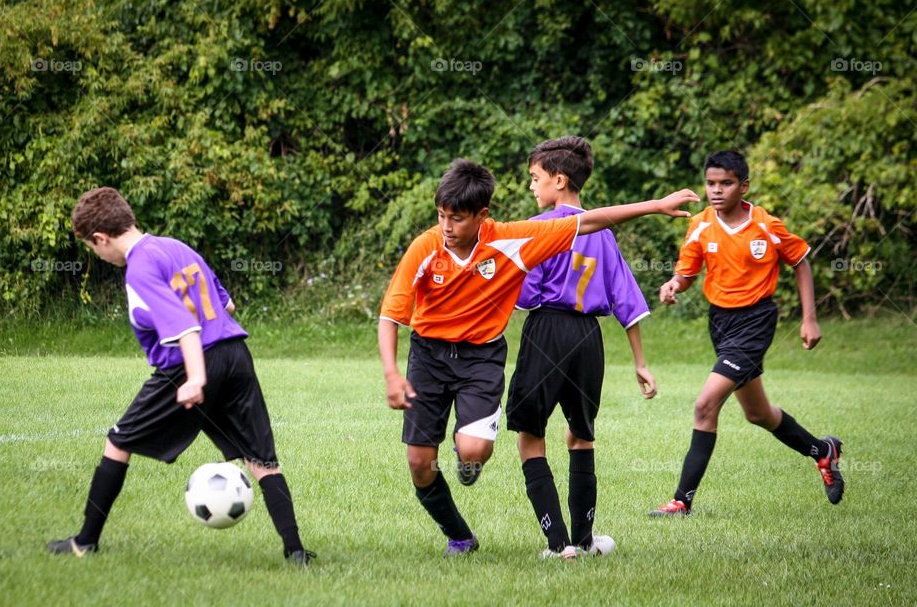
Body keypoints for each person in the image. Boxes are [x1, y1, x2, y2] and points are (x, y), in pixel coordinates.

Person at [378, 158, 697, 556]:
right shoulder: (426, 247)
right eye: (441, 216)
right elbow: (390, 315)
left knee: (475, 450)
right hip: (428, 356)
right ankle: (460, 535)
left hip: (481, 357)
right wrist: (392, 373)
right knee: (420, 465)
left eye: (456, 219)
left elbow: (588, 222)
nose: (446, 227)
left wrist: (653, 205)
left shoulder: (513, 239)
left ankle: (472, 460)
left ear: (482, 216)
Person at [48, 187, 315, 565]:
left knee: (118, 441)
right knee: (262, 461)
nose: (99, 256)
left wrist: (194, 378)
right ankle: (296, 551)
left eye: (94, 249)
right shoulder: (176, 246)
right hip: (235, 354)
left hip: (188, 364)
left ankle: (84, 541)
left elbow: (185, 328)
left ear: (100, 238)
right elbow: (227, 303)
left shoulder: (139, 268)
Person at [649, 150, 843, 517]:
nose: (716, 191)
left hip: (755, 322)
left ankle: (681, 501)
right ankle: (822, 452)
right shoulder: (701, 225)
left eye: (726, 183)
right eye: (710, 184)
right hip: (720, 322)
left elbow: (800, 260)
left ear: (744, 186)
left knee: (705, 405)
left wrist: (810, 318)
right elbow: (688, 272)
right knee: (758, 413)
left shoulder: (766, 225)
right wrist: (673, 284)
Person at [506, 137, 658, 560]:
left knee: (530, 437)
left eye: (535, 179)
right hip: (589, 339)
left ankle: (558, 547)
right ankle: (585, 540)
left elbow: (524, 295)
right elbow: (627, 300)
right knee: (580, 436)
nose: (532, 188)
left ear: (559, 179)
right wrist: (641, 363)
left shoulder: (543, 228)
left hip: (547, 332)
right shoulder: (603, 231)